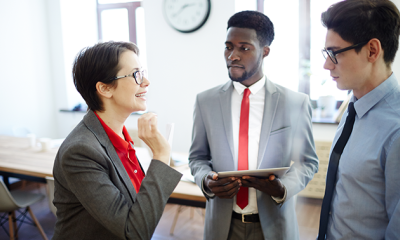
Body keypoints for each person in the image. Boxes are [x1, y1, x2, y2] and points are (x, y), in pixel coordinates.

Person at [189, 11, 319, 240]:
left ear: (265, 51)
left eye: (244, 48)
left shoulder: (295, 103)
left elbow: (307, 162)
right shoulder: (205, 101)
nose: (233, 56)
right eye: (228, 47)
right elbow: (197, 158)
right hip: (222, 226)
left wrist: (282, 188)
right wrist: (206, 180)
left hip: (275, 225)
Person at [52, 41, 182, 240]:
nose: (146, 82)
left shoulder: (119, 137)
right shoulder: (80, 151)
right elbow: (135, 233)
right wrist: (161, 155)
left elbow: (139, 209)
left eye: (143, 72)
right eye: (136, 74)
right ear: (105, 88)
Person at [317, 1, 400, 239]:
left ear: (372, 50)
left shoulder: (396, 130)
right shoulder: (354, 107)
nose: (326, 64)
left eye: (334, 53)